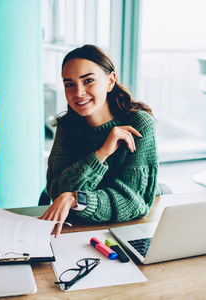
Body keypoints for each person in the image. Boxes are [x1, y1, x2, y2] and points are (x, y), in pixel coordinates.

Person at [39, 45, 159, 236]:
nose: (78, 92)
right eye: (69, 84)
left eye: (88, 81)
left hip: (128, 230)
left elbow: (133, 202)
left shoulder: (139, 124)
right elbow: (56, 190)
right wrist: (101, 153)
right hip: (78, 230)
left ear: (110, 81)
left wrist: (75, 199)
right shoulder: (66, 126)